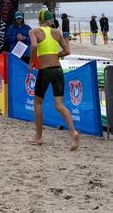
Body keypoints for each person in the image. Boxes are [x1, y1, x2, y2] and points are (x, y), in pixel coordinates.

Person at [28, 9, 79, 149]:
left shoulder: (34, 31)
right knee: (59, 105)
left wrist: (32, 62)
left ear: (39, 20)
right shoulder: (56, 32)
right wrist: (56, 55)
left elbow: (33, 45)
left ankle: (38, 137)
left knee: (38, 102)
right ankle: (73, 132)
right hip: (58, 70)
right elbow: (67, 51)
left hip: (45, 71)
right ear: (50, 21)